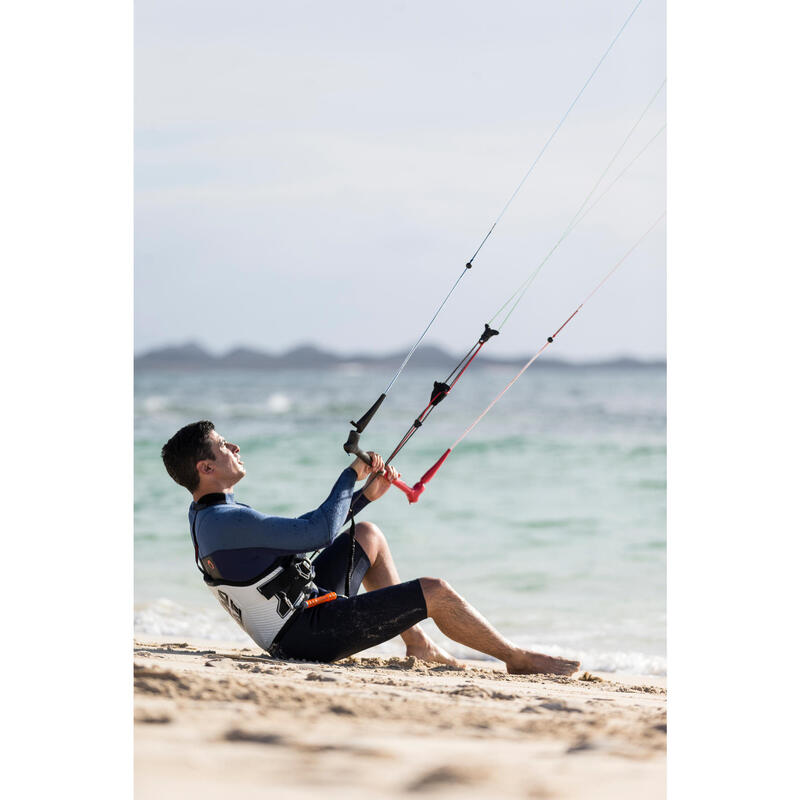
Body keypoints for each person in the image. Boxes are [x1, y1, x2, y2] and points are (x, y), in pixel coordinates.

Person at [161, 420, 580, 675]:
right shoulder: (226, 521)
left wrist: (365, 495)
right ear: (206, 467)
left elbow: (301, 542)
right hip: (307, 636)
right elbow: (317, 532)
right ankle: (515, 657)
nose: (235, 448)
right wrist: (351, 474)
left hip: (298, 615)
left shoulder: (210, 515)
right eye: (224, 446)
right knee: (434, 590)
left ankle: (417, 643)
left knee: (369, 535)